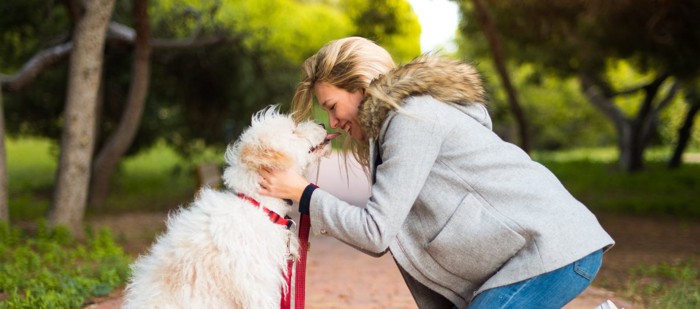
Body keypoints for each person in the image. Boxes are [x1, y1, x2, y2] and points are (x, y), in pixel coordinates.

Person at [258, 36, 614, 308]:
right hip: (536, 254)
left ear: (362, 87)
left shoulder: (411, 120)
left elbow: (376, 232)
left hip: (554, 250)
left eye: (332, 107)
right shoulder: (394, 127)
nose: (333, 121)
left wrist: (302, 193)